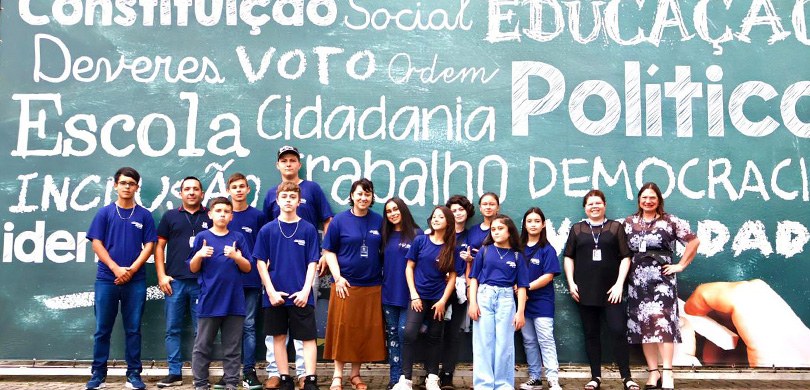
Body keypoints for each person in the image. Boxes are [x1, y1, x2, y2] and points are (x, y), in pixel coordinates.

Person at [263, 145, 334, 389]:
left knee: (303, 319)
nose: (288, 164)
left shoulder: (312, 189)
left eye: (293, 160)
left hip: (305, 266)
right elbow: (266, 227)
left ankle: (306, 374)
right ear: (278, 165)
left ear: (299, 164)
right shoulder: (271, 194)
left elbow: (327, 220)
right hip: (277, 272)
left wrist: (326, 252)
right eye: (284, 160)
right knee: (277, 329)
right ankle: (278, 373)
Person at [86, 167, 157, 390]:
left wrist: (131, 270)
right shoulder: (105, 213)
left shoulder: (144, 215)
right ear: (115, 185)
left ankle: (133, 375)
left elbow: (150, 246)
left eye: (132, 183)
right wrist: (116, 268)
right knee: (102, 329)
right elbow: (96, 243)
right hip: (107, 279)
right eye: (123, 182)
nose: (127, 187)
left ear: (137, 187)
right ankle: (98, 375)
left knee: (133, 329)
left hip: (135, 281)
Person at [624, 183, 700, 390]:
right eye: (644, 197)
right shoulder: (629, 222)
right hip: (637, 282)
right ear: (639, 199)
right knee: (644, 327)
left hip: (662, 281)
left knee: (664, 325)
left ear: (659, 200)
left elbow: (693, 242)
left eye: (652, 198)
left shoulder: (670, 221)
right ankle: (653, 372)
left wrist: (681, 265)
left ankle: (667, 372)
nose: (648, 201)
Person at [563, 189, 638, 390]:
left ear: (604, 205)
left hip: (612, 292)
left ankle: (627, 378)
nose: (594, 206)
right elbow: (568, 257)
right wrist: (571, 283)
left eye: (598, 203)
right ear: (585, 208)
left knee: (618, 330)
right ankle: (595, 377)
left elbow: (625, 257)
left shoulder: (615, 227)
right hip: (584, 291)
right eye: (590, 204)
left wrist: (619, 284)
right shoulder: (577, 229)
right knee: (591, 334)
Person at [254, 182, 321, 390]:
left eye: (293, 196)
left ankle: (310, 378)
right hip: (275, 294)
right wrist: (271, 291)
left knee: (308, 337)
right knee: (279, 336)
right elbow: (260, 263)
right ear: (278, 200)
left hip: (301, 293)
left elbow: (313, 262)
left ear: (299, 201)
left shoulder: (308, 229)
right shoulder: (267, 230)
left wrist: (305, 290)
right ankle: (284, 377)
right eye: (285, 196)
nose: (289, 200)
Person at [322, 178, 386, 390]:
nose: (363, 198)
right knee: (343, 330)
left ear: (372, 197)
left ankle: (356, 375)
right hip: (345, 285)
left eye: (367, 194)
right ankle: (337, 376)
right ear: (351, 196)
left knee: (363, 332)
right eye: (359, 194)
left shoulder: (379, 221)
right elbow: (328, 251)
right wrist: (338, 277)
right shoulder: (339, 221)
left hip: (372, 285)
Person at [187, 197, 253, 390]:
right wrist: (199, 255)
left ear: (231, 216)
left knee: (232, 347)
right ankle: (200, 383)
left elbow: (248, 267)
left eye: (226, 211)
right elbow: (192, 268)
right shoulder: (202, 238)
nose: (222, 214)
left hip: (234, 301)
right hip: (209, 300)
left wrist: (236, 256)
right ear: (210, 214)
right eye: (218, 210)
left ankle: (231, 383)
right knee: (202, 346)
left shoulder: (238, 238)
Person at [392, 206, 458, 390]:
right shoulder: (420, 241)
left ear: (448, 222)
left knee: (435, 337)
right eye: (434, 216)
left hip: (438, 300)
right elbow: (409, 268)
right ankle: (405, 379)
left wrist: (443, 301)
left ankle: (432, 377)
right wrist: (414, 295)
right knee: (409, 334)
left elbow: (452, 276)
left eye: (441, 217)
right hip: (417, 298)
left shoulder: (451, 246)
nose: (436, 219)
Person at [155, 176, 212, 388]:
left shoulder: (211, 215)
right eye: (187, 189)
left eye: (195, 189)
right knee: (173, 329)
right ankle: (174, 373)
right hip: (175, 282)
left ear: (202, 193)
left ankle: (200, 374)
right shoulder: (170, 216)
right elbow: (159, 247)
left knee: (202, 330)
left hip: (201, 283)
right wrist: (161, 275)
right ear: (180, 193)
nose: (191, 192)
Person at [468, 214, 529, 390]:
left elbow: (523, 286)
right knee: (483, 343)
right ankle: (484, 385)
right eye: (493, 229)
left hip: (506, 299)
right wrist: (473, 303)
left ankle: (503, 385)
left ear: (509, 231)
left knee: (504, 344)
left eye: (500, 228)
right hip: (484, 296)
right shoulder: (484, 251)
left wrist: (520, 312)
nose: (495, 232)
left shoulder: (517, 256)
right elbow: (474, 279)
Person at [226, 173, 268, 390]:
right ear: (228, 190)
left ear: (249, 189)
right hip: (225, 282)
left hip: (251, 280)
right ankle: (229, 373)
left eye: (242, 186)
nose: (239, 190)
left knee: (249, 326)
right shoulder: (222, 214)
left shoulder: (258, 216)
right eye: (234, 187)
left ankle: (249, 372)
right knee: (229, 327)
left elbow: (265, 246)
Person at [518, 207, 562, 390]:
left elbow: (549, 275)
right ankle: (535, 378)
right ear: (524, 224)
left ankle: (553, 379)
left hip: (542, 301)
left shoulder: (547, 249)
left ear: (543, 224)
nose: (533, 224)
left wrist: (526, 288)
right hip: (522, 302)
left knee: (545, 339)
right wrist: (520, 292)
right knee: (528, 340)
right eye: (529, 221)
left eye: (537, 221)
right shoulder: (517, 248)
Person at [381, 198, 422, 389]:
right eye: (388, 211)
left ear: (403, 210)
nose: (392, 213)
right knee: (392, 336)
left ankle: (406, 378)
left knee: (403, 332)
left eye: (396, 209)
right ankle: (394, 378)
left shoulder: (416, 235)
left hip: (410, 295)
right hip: (389, 293)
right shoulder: (385, 235)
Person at [439, 195, 476, 389]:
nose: (457, 213)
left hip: (460, 290)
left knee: (454, 333)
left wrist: (470, 260)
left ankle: (447, 374)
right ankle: (430, 372)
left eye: (461, 209)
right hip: (438, 288)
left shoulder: (472, 235)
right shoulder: (440, 233)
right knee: (435, 331)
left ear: (467, 212)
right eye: (453, 210)